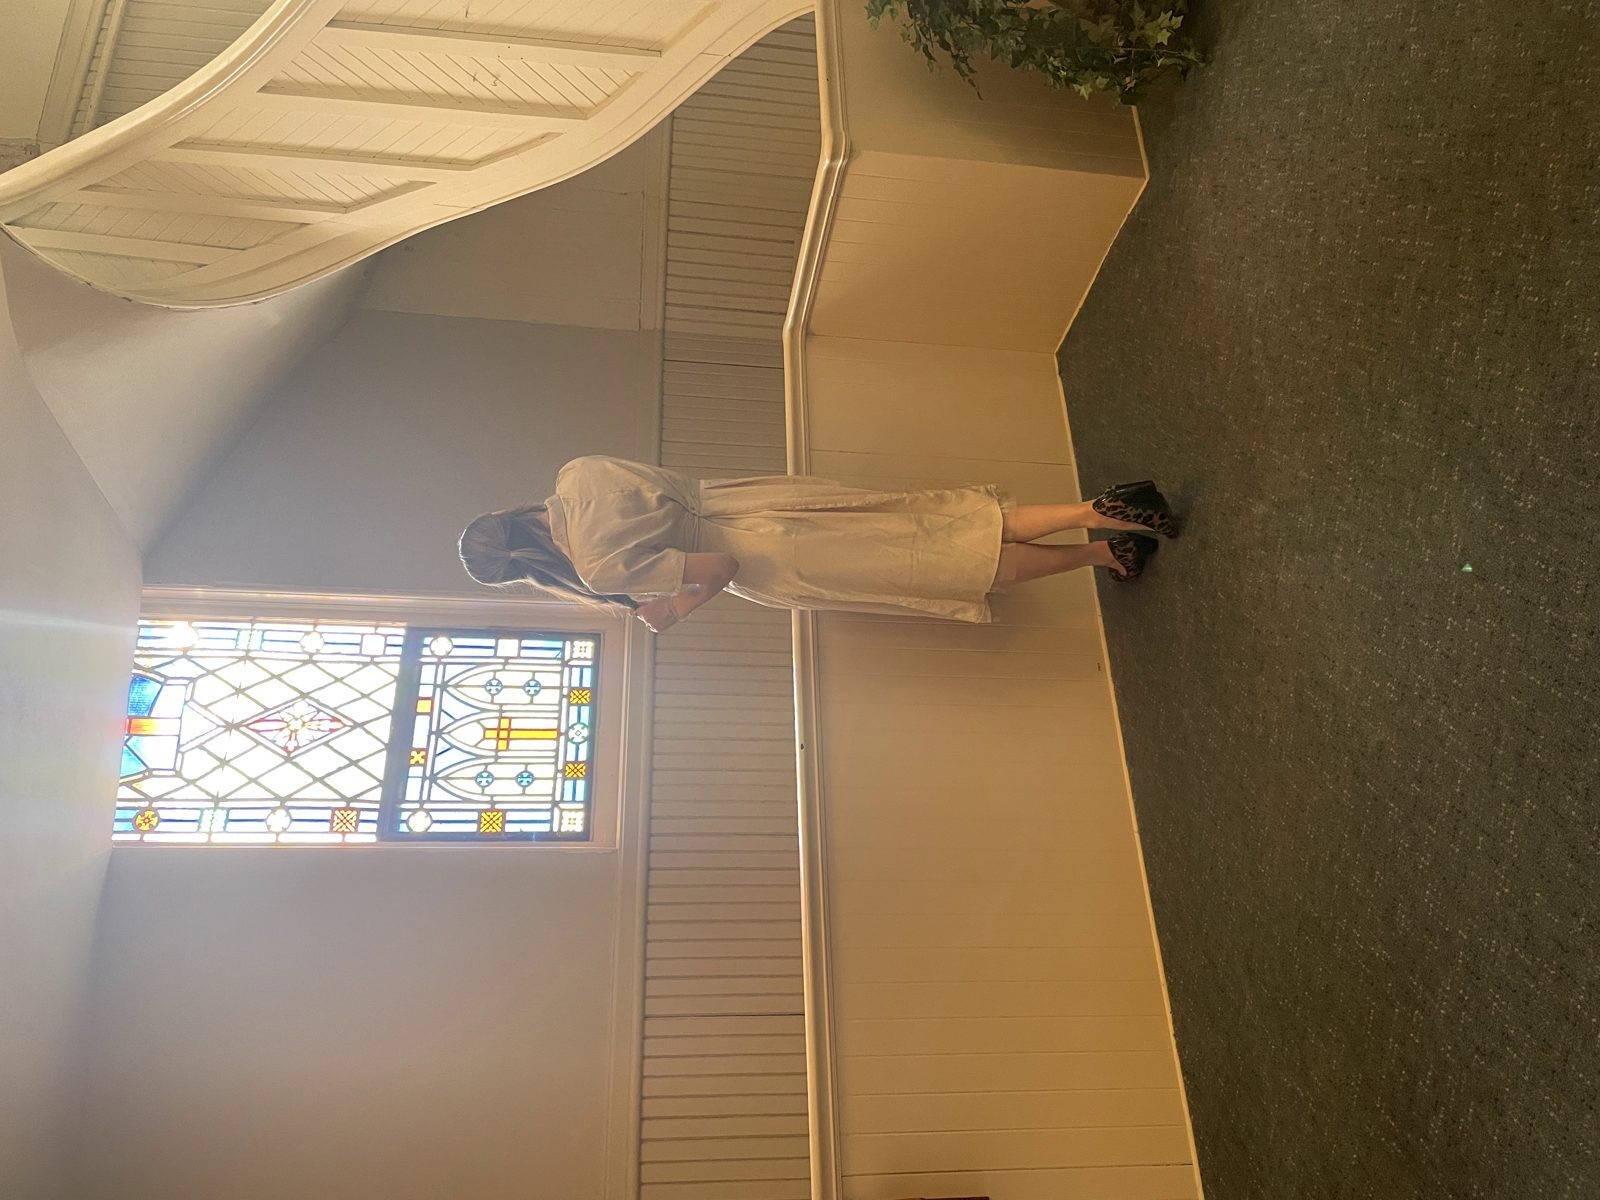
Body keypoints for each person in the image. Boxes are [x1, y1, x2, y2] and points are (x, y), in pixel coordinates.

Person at [458, 456, 1179, 633]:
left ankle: (1099, 548)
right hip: (760, 497)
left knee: (945, 562)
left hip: (769, 551)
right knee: (932, 521)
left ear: (523, 569)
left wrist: (675, 608)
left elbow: (720, 565)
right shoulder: (579, 473)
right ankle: (1099, 513)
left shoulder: (595, 565)